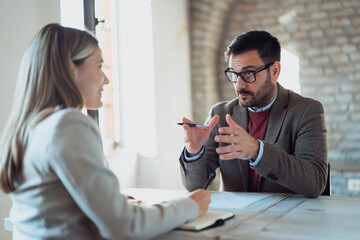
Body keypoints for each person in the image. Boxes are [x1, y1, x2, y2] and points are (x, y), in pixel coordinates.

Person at [0, 23, 211, 240]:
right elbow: (124, 226)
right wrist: (189, 206)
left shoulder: (29, 128)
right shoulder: (67, 124)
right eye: (99, 66)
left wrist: (113, 204)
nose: (106, 79)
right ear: (71, 71)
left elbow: (53, 208)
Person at [179, 30, 328, 198]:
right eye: (234, 74)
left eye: (248, 73)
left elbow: (315, 182)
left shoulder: (307, 110)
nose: (239, 84)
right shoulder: (219, 114)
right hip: (236, 218)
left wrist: (258, 151)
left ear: (275, 71)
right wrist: (194, 152)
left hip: (286, 219)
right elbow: (194, 186)